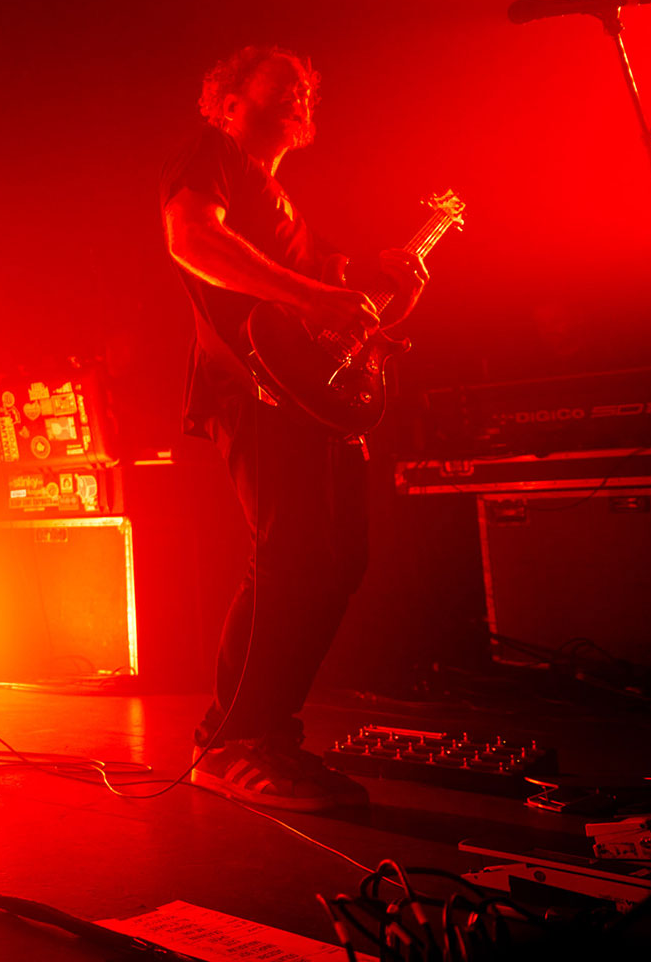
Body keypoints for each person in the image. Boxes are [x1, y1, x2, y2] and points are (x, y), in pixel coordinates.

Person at [159, 46, 427, 811]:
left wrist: (390, 290)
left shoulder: (283, 211)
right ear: (226, 103)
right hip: (252, 387)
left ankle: (268, 733)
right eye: (280, 85)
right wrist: (310, 298)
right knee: (290, 555)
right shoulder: (212, 155)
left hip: (308, 397)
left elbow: (345, 323)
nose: (301, 95)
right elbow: (190, 241)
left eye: (308, 87)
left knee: (339, 557)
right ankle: (230, 740)